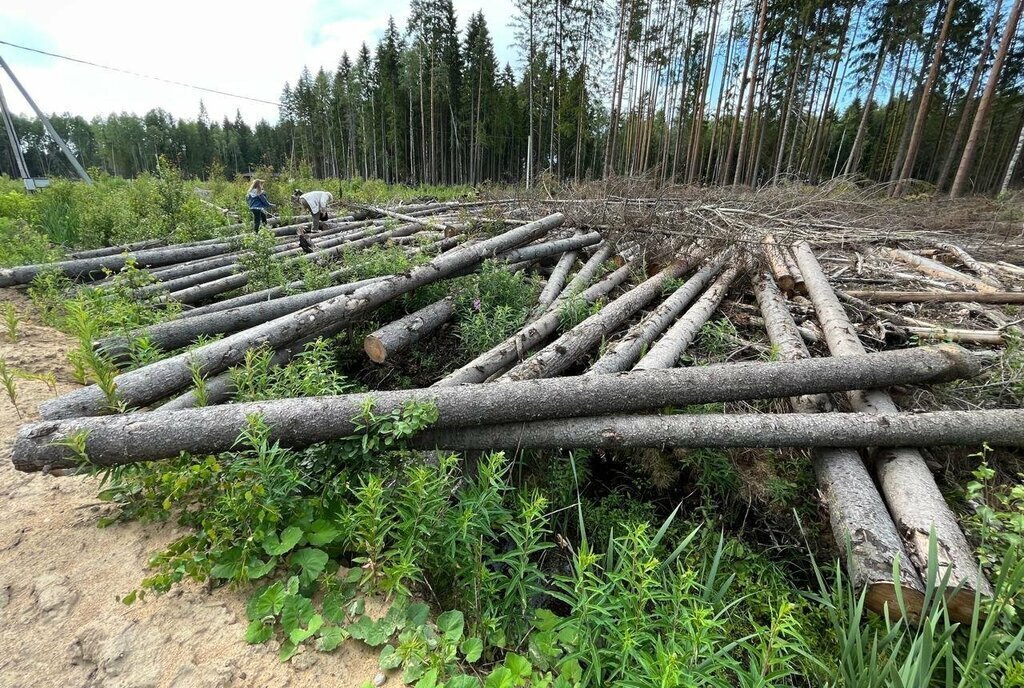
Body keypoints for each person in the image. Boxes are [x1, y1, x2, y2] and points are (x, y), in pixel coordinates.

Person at [292, 189, 334, 253]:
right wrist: (324, 212)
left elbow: (319, 204)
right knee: (316, 214)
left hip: (303, 199)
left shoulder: (320, 194)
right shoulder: (325, 195)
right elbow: (322, 203)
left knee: (315, 213)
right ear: (329, 196)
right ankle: (315, 230)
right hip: (308, 200)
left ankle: (310, 227)